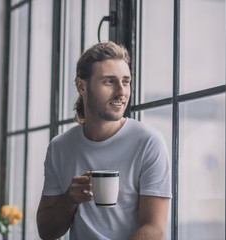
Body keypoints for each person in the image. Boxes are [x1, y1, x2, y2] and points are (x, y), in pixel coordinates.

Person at [37, 41, 172, 240]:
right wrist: (69, 199)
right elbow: (46, 232)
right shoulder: (59, 147)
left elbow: (154, 229)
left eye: (125, 81)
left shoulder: (149, 142)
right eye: (109, 81)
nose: (121, 92)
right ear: (81, 86)